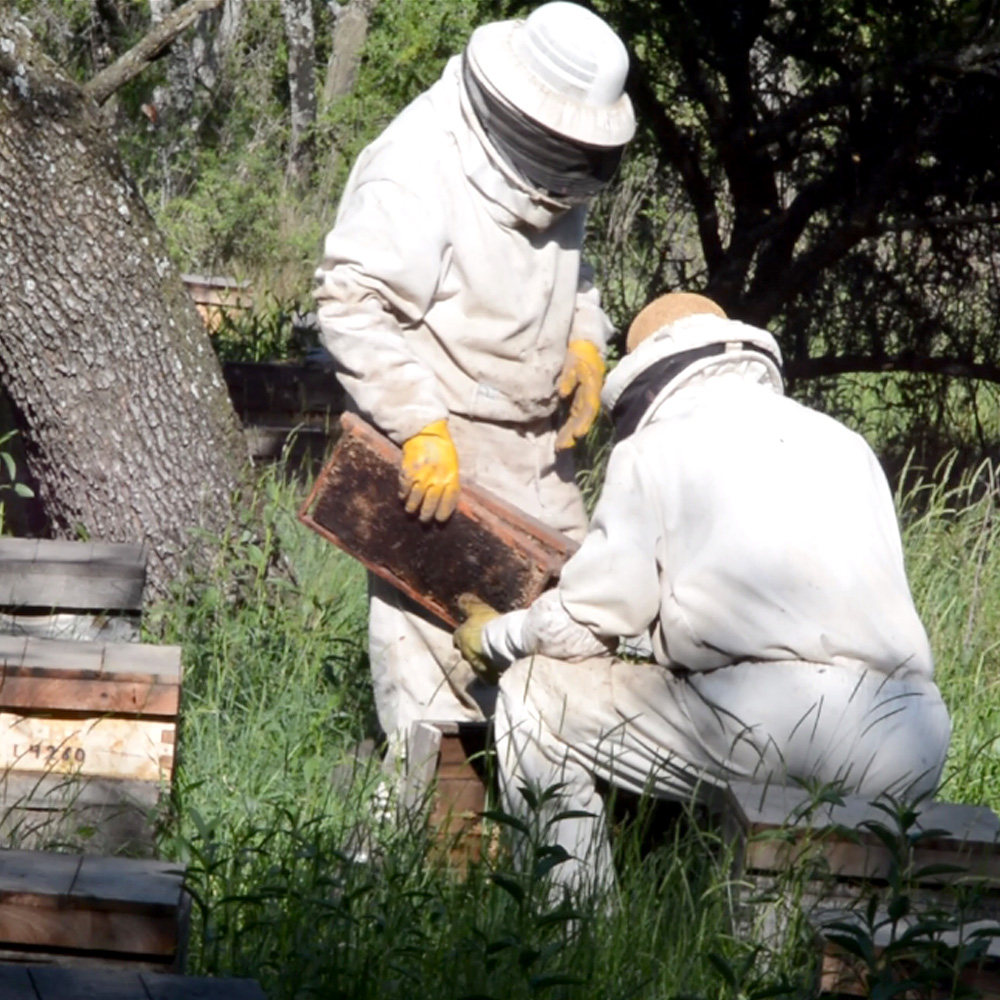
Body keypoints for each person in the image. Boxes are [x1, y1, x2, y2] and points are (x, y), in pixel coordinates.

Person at [454, 292, 952, 896]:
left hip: (774, 725)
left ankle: (573, 926)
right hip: (912, 736)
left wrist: (497, 636)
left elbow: (580, 627)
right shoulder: (846, 443)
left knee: (535, 694)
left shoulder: (653, 447)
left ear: (647, 376)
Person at [313, 2, 636, 767]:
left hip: (539, 452)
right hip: (444, 453)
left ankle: (542, 822)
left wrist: (585, 341)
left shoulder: (548, 169)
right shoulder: (415, 166)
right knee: (437, 683)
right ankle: (421, 831)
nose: (568, 170)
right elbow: (350, 300)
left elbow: (575, 272)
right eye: (561, 148)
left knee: (572, 643)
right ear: (518, 116)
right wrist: (418, 425)